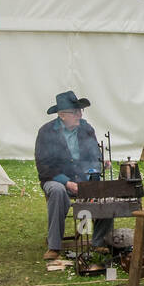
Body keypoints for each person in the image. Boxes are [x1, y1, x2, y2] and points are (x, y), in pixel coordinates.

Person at [35, 90, 114, 260]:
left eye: (80, 111)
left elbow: (93, 155)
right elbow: (44, 167)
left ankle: (99, 241)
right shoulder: (46, 132)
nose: (79, 115)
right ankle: (54, 246)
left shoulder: (86, 128)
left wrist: (101, 164)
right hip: (55, 179)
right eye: (75, 112)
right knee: (57, 191)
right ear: (62, 115)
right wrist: (67, 182)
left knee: (106, 190)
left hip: (83, 179)